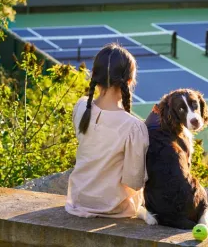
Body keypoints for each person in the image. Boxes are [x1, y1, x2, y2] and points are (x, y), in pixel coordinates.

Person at [65, 43, 156, 225]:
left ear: (95, 77)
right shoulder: (134, 127)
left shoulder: (81, 107)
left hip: (78, 200)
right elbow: (135, 182)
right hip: (113, 208)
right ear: (129, 82)